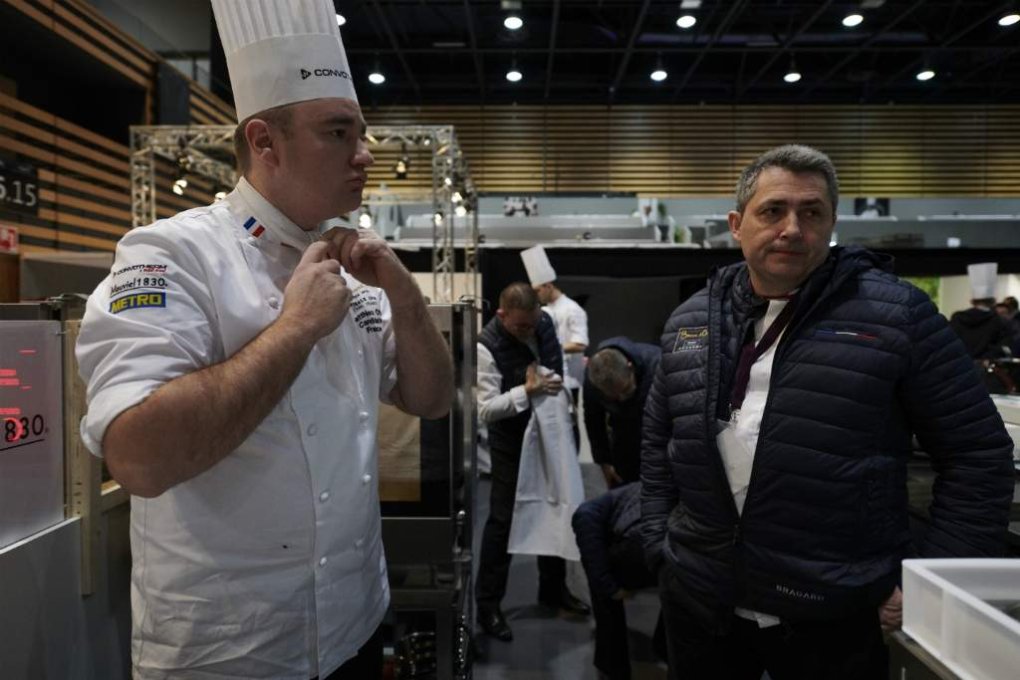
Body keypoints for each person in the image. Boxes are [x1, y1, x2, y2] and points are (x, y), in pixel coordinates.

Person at [75, 2, 453, 678]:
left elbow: (431, 399)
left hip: (355, 623)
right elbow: (139, 459)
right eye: (339, 133)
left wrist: (403, 291)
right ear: (264, 141)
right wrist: (296, 329)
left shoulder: (352, 267)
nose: (365, 155)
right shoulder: (170, 256)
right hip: (228, 652)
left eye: (362, 133)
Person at [640, 144, 1015, 679]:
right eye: (773, 211)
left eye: (811, 212)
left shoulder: (897, 315)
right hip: (702, 600)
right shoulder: (690, 320)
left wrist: (927, 578)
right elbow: (658, 443)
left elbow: (979, 454)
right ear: (736, 224)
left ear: (831, 223)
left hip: (834, 609)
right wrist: (661, 547)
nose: (792, 228)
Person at [475, 282, 590, 642]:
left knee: (558, 507)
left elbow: (553, 369)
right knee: (503, 519)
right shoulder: (486, 346)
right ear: (501, 315)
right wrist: (527, 391)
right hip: (510, 440)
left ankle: (552, 589)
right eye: (519, 326)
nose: (528, 330)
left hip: (552, 432)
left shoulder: (543, 323)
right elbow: (485, 409)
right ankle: (488, 605)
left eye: (533, 322)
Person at [572, 482, 665, 680]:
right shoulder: (597, 516)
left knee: (604, 586)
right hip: (655, 536)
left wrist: (610, 588)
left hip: (641, 537)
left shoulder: (593, 516)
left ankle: (613, 666)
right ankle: (660, 647)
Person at [522, 245, 589, 424]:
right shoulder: (543, 310)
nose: (536, 295)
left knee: (568, 426)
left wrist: (552, 348)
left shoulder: (572, 309)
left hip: (570, 381)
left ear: (548, 285)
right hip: (547, 379)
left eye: (537, 290)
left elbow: (580, 344)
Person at [583, 337, 661, 488]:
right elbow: (594, 421)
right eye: (613, 397)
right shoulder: (593, 376)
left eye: (625, 390)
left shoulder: (658, 364)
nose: (621, 398)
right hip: (622, 441)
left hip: (658, 439)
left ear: (630, 367)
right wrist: (604, 462)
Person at [948, 263, 1013, 361]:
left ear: (972, 301)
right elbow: (1004, 349)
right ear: (993, 300)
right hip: (987, 372)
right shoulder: (1000, 322)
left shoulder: (957, 318)